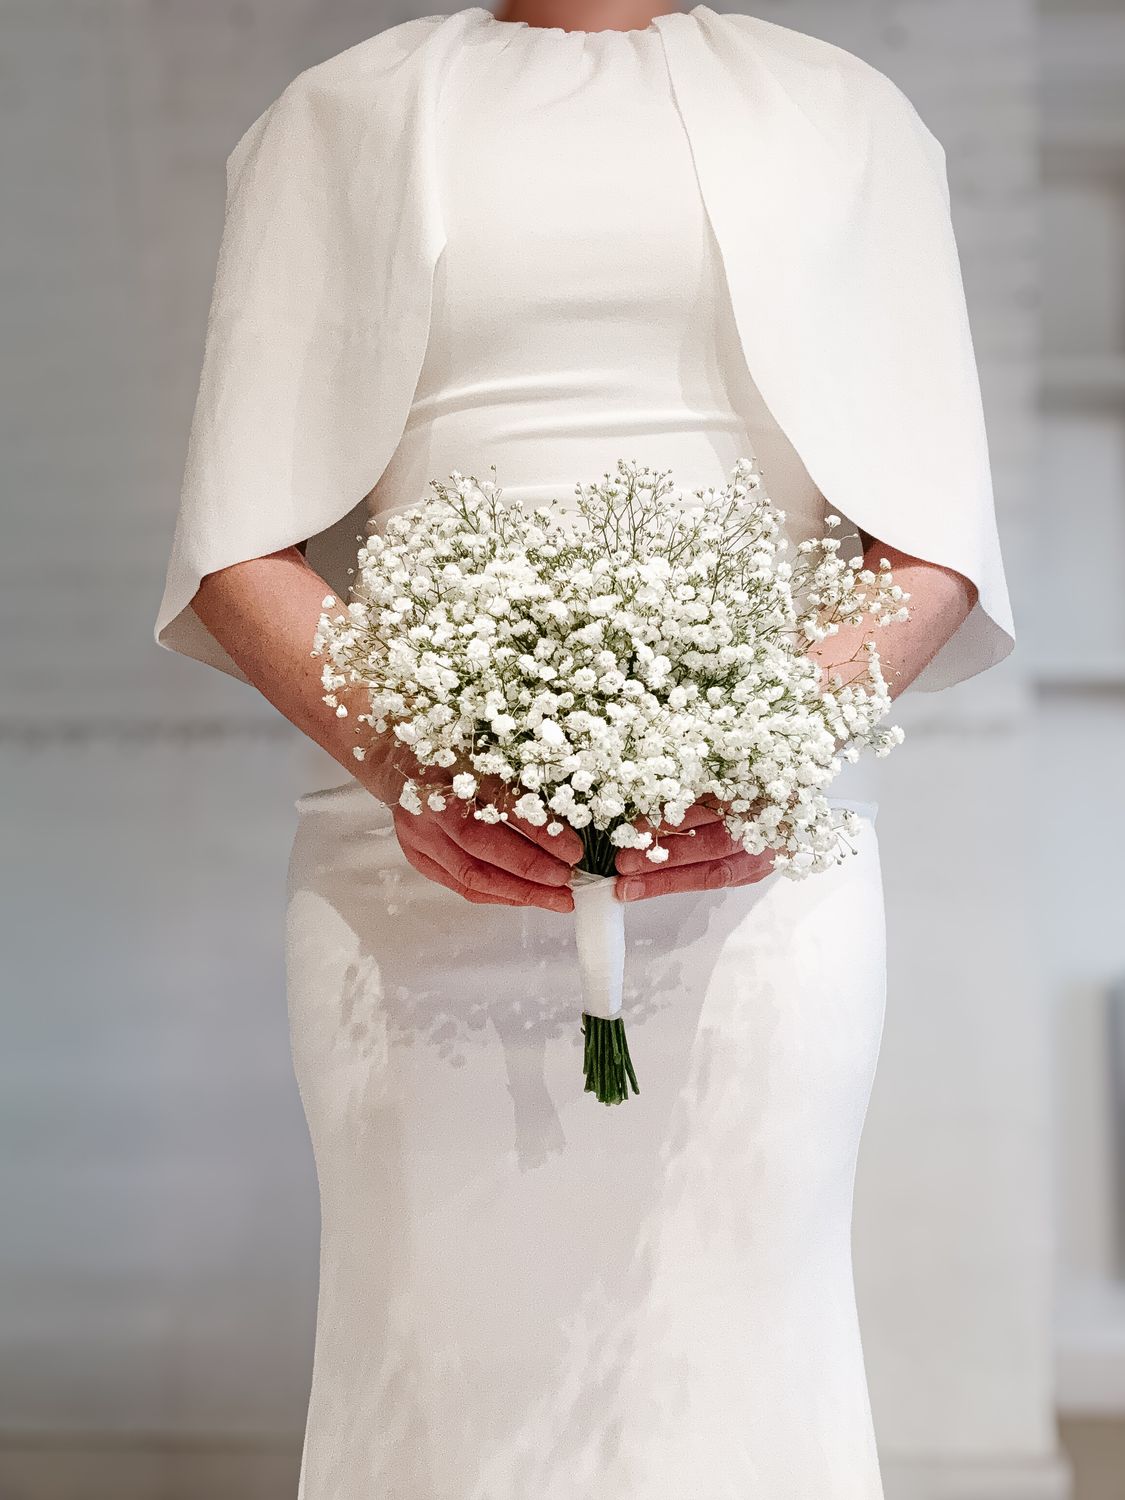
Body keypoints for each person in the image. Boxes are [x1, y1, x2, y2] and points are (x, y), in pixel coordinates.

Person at [154, 4, 1015, 1495]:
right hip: (412, 861)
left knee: (742, 1353)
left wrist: (761, 747)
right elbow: (236, 548)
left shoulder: (845, 110)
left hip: (751, 873)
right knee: (430, 1373)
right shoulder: (342, 112)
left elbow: (930, 540)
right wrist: (417, 766)